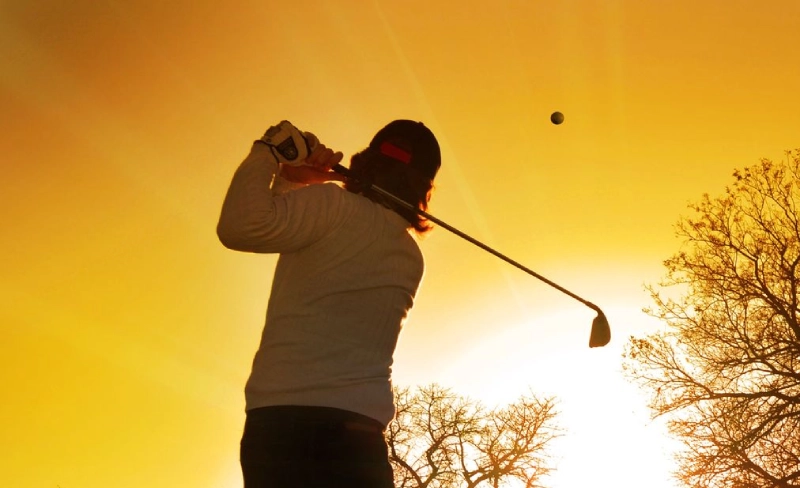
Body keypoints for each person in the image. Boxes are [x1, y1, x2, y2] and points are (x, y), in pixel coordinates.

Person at [217, 119, 441, 488]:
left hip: (282, 428)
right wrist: (295, 182)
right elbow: (298, 231)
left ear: (366, 159)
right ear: (424, 185)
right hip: (360, 436)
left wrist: (269, 153)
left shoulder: (331, 205)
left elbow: (241, 226)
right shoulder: (410, 257)